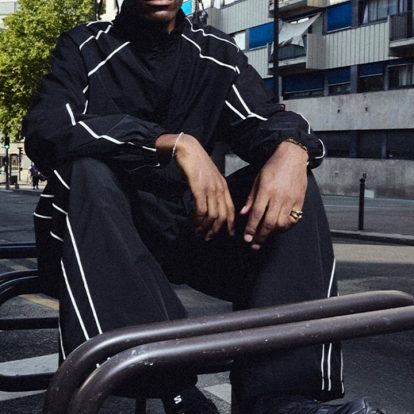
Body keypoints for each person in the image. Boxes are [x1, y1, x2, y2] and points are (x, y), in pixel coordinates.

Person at [23, 1, 383, 413]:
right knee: (86, 170)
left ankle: (279, 399)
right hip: (94, 241)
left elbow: (263, 119)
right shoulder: (83, 46)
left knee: (289, 178)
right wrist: (172, 144)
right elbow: (48, 129)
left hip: (188, 233)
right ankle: (176, 391)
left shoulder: (215, 51)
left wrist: (293, 149)